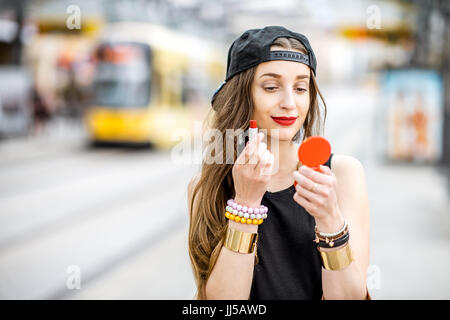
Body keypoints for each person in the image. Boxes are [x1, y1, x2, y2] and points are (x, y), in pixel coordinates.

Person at [187, 26, 370, 300]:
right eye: (271, 87)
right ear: (242, 96)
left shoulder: (343, 174)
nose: (289, 103)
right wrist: (246, 205)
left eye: (300, 88)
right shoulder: (206, 188)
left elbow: (351, 297)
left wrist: (329, 219)